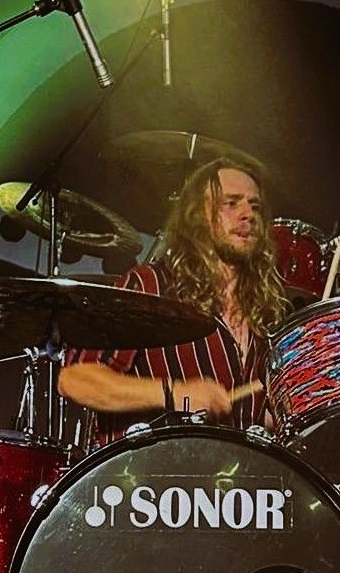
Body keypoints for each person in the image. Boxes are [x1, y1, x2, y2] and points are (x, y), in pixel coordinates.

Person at [58, 156, 288, 443]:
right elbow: (76, 379)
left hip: (232, 469)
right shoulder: (150, 286)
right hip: (149, 467)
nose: (248, 214)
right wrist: (175, 393)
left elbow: (251, 415)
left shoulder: (264, 312)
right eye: (231, 203)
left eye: (255, 206)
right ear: (196, 215)